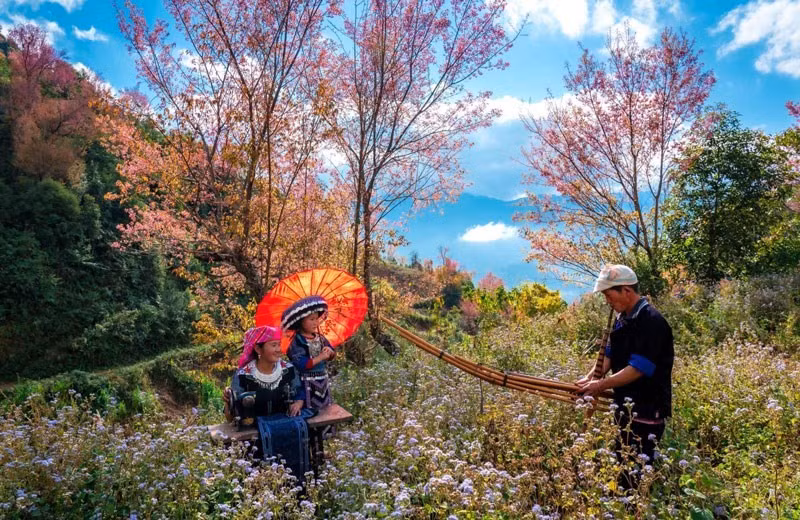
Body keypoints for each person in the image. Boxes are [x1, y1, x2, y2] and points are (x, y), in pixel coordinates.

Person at [576, 264, 674, 486]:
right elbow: (610, 354)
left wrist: (600, 386)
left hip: (647, 410)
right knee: (622, 464)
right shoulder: (623, 319)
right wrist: (590, 378)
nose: (608, 302)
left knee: (635, 475)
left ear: (627, 291)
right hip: (625, 409)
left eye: (609, 296)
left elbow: (639, 367)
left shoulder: (652, 322)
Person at [223, 325, 312, 480]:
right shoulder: (244, 376)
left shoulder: (288, 370)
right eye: (273, 345)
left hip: (287, 428)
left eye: (279, 344)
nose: (279, 349)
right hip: (255, 438)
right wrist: (227, 403)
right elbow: (230, 417)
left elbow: (299, 390)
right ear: (258, 349)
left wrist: (299, 402)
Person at [282, 295, 337, 411]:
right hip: (305, 384)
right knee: (310, 414)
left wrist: (330, 352)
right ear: (301, 321)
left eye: (317, 318)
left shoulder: (321, 338)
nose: (315, 322)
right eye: (311, 319)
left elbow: (332, 354)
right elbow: (301, 364)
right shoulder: (296, 342)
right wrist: (321, 357)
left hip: (323, 382)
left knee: (326, 412)